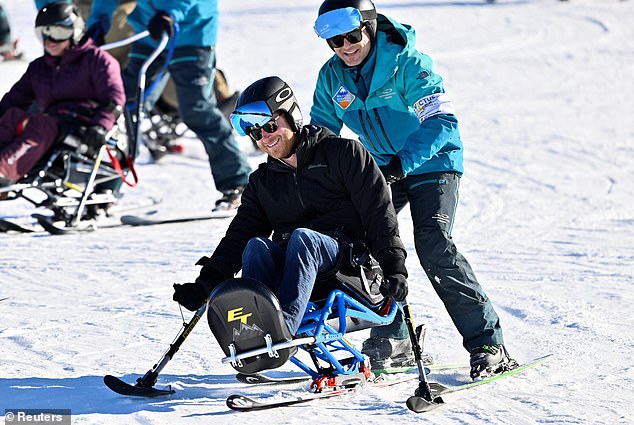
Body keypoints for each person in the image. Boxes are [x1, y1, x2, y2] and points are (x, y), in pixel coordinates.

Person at [310, 0, 513, 379]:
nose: (345, 47)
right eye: (335, 41)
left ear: (369, 28)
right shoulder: (332, 77)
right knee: (363, 242)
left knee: (433, 243)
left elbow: (441, 122)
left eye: (353, 36)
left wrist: (402, 163)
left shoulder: (407, 64)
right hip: (382, 167)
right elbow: (322, 133)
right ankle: (394, 337)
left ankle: (489, 343)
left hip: (432, 163)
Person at [172, 76, 408, 339]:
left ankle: (281, 329)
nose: (264, 138)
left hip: (350, 270)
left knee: (303, 239)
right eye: (255, 133)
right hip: (294, 277)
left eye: (270, 126)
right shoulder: (263, 182)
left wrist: (394, 267)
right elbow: (237, 238)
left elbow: (379, 213)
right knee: (256, 246)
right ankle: (250, 334)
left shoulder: (344, 154)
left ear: (292, 116)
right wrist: (205, 284)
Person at [85, 0, 252, 210]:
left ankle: (238, 182)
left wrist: (170, 14)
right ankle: (106, 187)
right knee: (127, 108)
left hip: (193, 31)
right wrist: (98, 22)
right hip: (150, 33)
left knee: (197, 109)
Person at [0, 2, 124, 188]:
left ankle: (4, 170)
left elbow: (114, 100)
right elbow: (15, 99)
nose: (50, 40)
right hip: (53, 123)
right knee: (11, 117)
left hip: (84, 125)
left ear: (75, 32)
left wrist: (100, 126)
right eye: (44, 33)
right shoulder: (39, 67)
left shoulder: (97, 60)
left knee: (41, 124)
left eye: (58, 33)